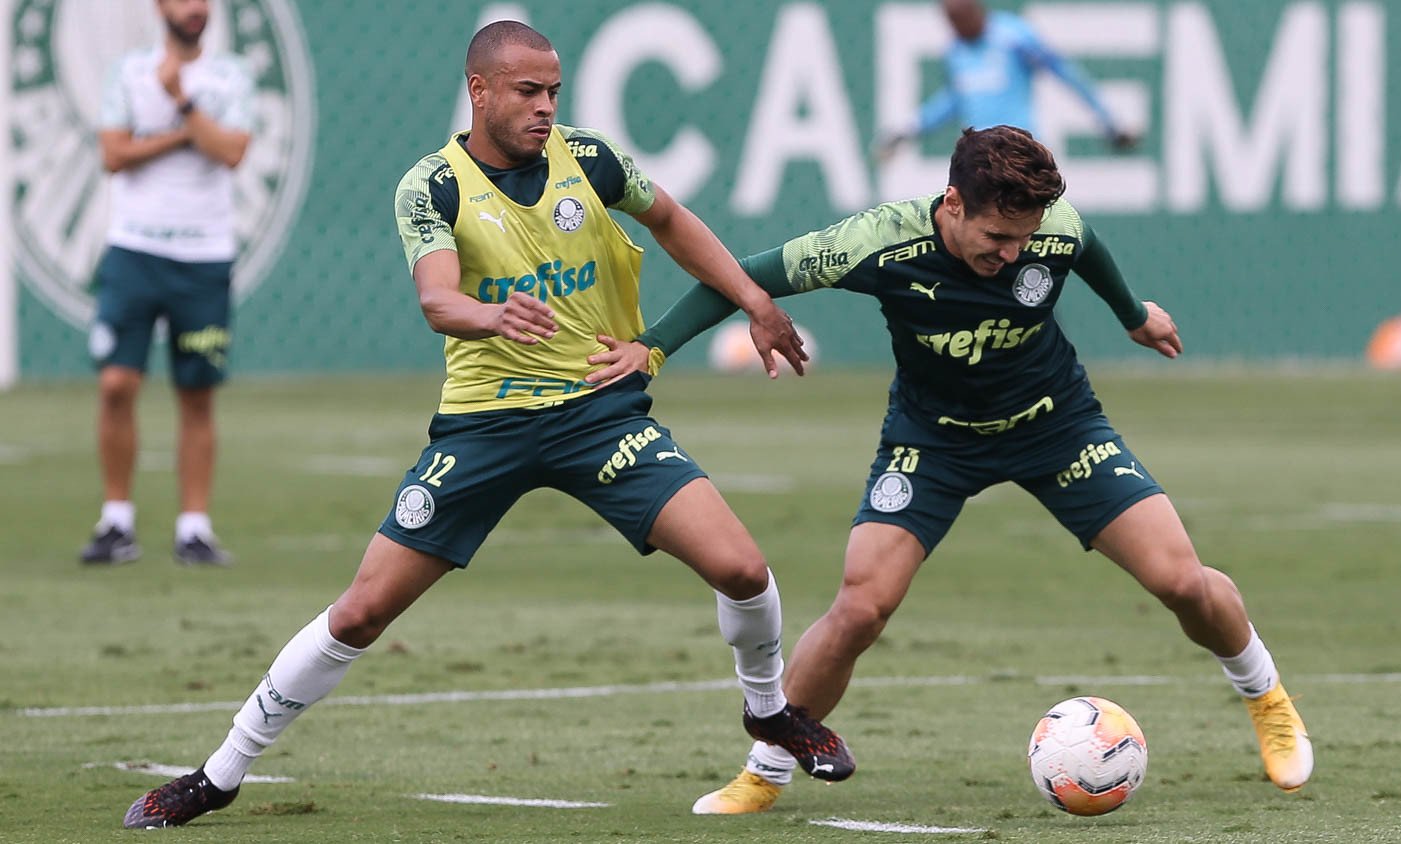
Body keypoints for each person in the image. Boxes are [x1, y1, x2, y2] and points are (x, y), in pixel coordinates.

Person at [119, 20, 854, 829]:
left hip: (596, 414)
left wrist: (753, 301)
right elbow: (437, 299)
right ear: (479, 91)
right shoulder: (431, 186)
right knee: (361, 611)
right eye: (528, 92)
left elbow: (673, 221)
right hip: (484, 429)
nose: (546, 108)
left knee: (743, 569)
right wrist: (490, 315)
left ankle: (768, 711)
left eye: (554, 92)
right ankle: (220, 773)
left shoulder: (591, 160)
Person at [588, 125, 1313, 814]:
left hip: (1056, 426)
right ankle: (767, 770)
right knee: (860, 607)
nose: (1013, 254)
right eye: (997, 238)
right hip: (931, 441)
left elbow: (1085, 247)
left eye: (1024, 238)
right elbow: (740, 276)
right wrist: (655, 345)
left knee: (1181, 580)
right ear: (954, 204)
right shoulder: (876, 242)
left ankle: (1268, 699)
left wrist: (1132, 315)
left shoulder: (1052, 230)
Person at [81, 0, 253, 566]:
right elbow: (113, 154)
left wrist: (180, 103)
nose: (195, 8)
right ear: (161, 7)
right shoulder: (129, 72)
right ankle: (116, 522)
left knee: (197, 393)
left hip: (204, 257)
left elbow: (231, 151)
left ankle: (194, 529)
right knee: (116, 384)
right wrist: (186, 136)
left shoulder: (231, 75)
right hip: (134, 250)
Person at [876, 0, 1136, 161]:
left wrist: (1109, 122)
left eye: (961, 17)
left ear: (977, 9)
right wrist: (910, 128)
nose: (957, 26)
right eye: (952, 21)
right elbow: (956, 100)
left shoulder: (1014, 37)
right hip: (978, 154)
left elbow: (1064, 73)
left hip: (1019, 147)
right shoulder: (956, 52)